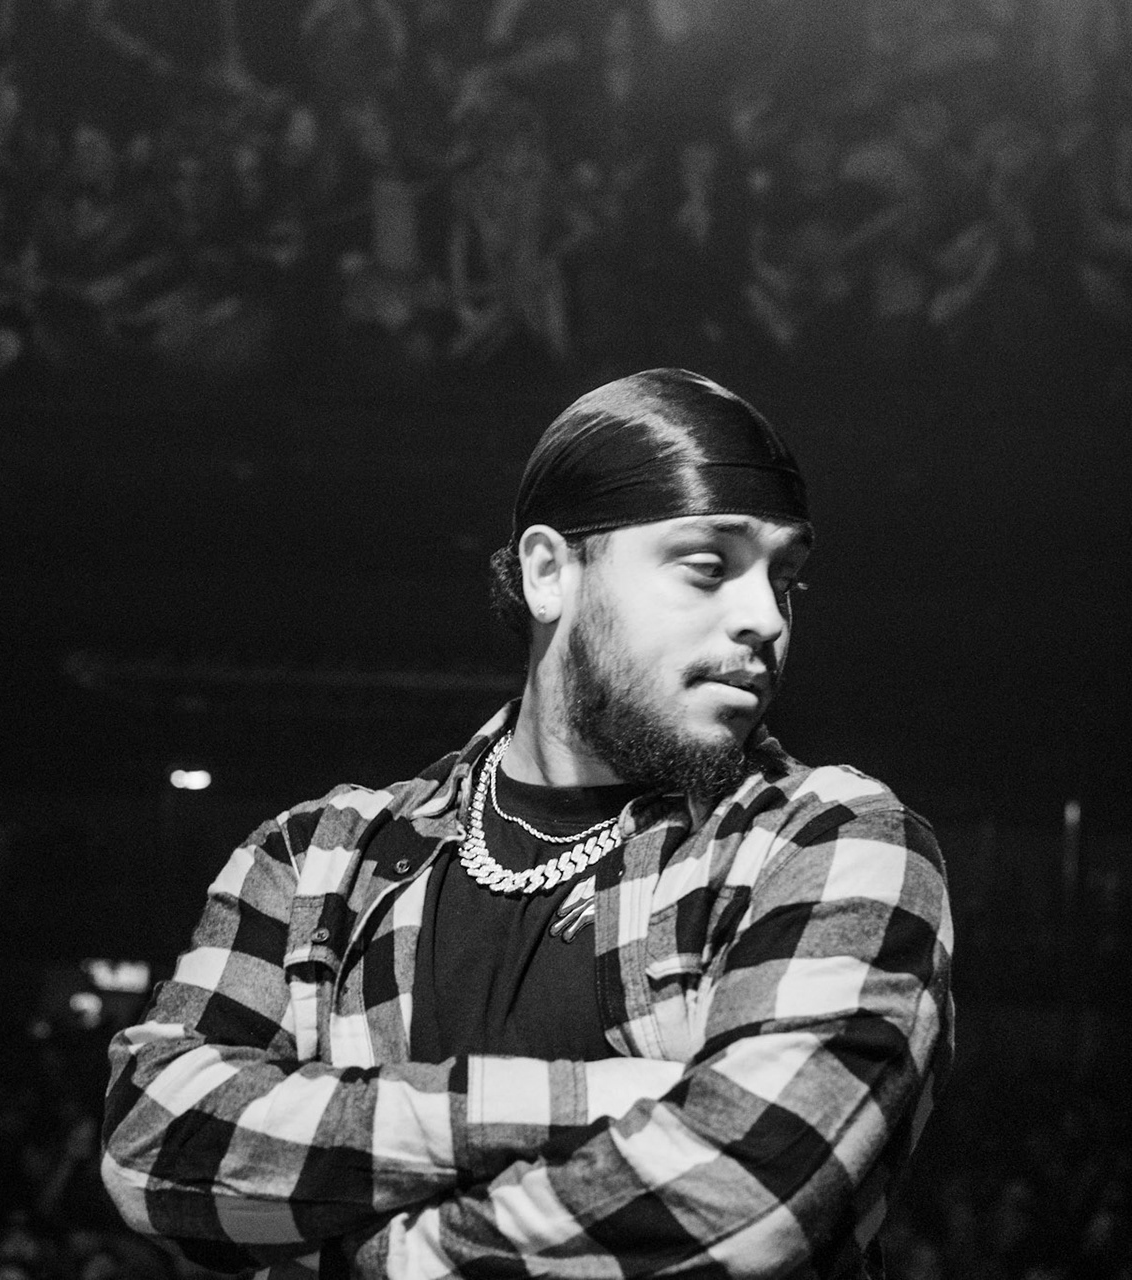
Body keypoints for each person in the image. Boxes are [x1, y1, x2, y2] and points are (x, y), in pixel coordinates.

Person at [100, 369, 953, 1279]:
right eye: (708, 566)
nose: (765, 619)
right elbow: (154, 1142)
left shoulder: (832, 841)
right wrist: (608, 1105)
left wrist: (368, 1255)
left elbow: (746, 1196)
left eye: (785, 578)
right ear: (549, 573)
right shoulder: (316, 858)